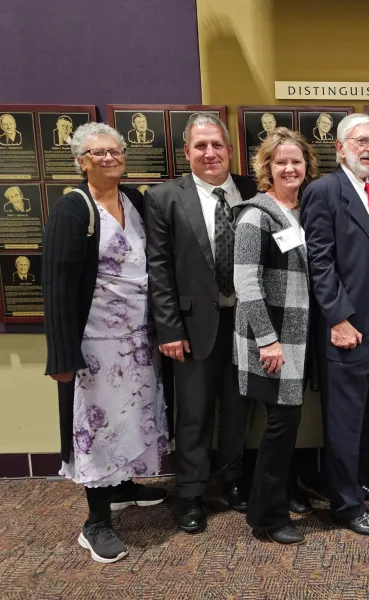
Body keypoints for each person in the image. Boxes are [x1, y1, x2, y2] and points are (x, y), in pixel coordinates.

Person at [42, 122, 168, 563]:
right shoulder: (73, 211)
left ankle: (122, 488)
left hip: (137, 341)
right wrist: (61, 355)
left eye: (115, 151)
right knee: (96, 426)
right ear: (81, 161)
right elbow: (56, 286)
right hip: (95, 345)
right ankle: (96, 521)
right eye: (98, 153)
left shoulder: (133, 201)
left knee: (133, 417)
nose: (110, 158)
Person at [145, 113, 257, 534]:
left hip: (246, 322)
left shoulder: (251, 190)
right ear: (187, 152)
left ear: (230, 150)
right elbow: (158, 269)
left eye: (217, 145)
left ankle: (231, 480)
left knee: (238, 407)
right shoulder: (163, 198)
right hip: (191, 326)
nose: (209, 153)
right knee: (192, 413)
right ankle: (190, 492)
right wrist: (169, 328)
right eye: (200, 146)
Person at [301, 113, 369, 536]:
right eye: (360, 141)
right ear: (340, 148)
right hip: (346, 328)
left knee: (367, 411)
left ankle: (355, 481)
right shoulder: (324, 191)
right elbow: (318, 261)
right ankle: (345, 505)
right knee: (344, 416)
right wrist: (337, 317)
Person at [233, 127, 318, 545]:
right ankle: (265, 517)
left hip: (300, 339)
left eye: (296, 161)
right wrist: (267, 340)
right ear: (266, 167)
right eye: (281, 161)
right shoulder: (255, 215)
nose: (289, 168)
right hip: (274, 341)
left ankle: (282, 494)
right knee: (280, 426)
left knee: (289, 422)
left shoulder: (303, 211)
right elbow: (246, 285)